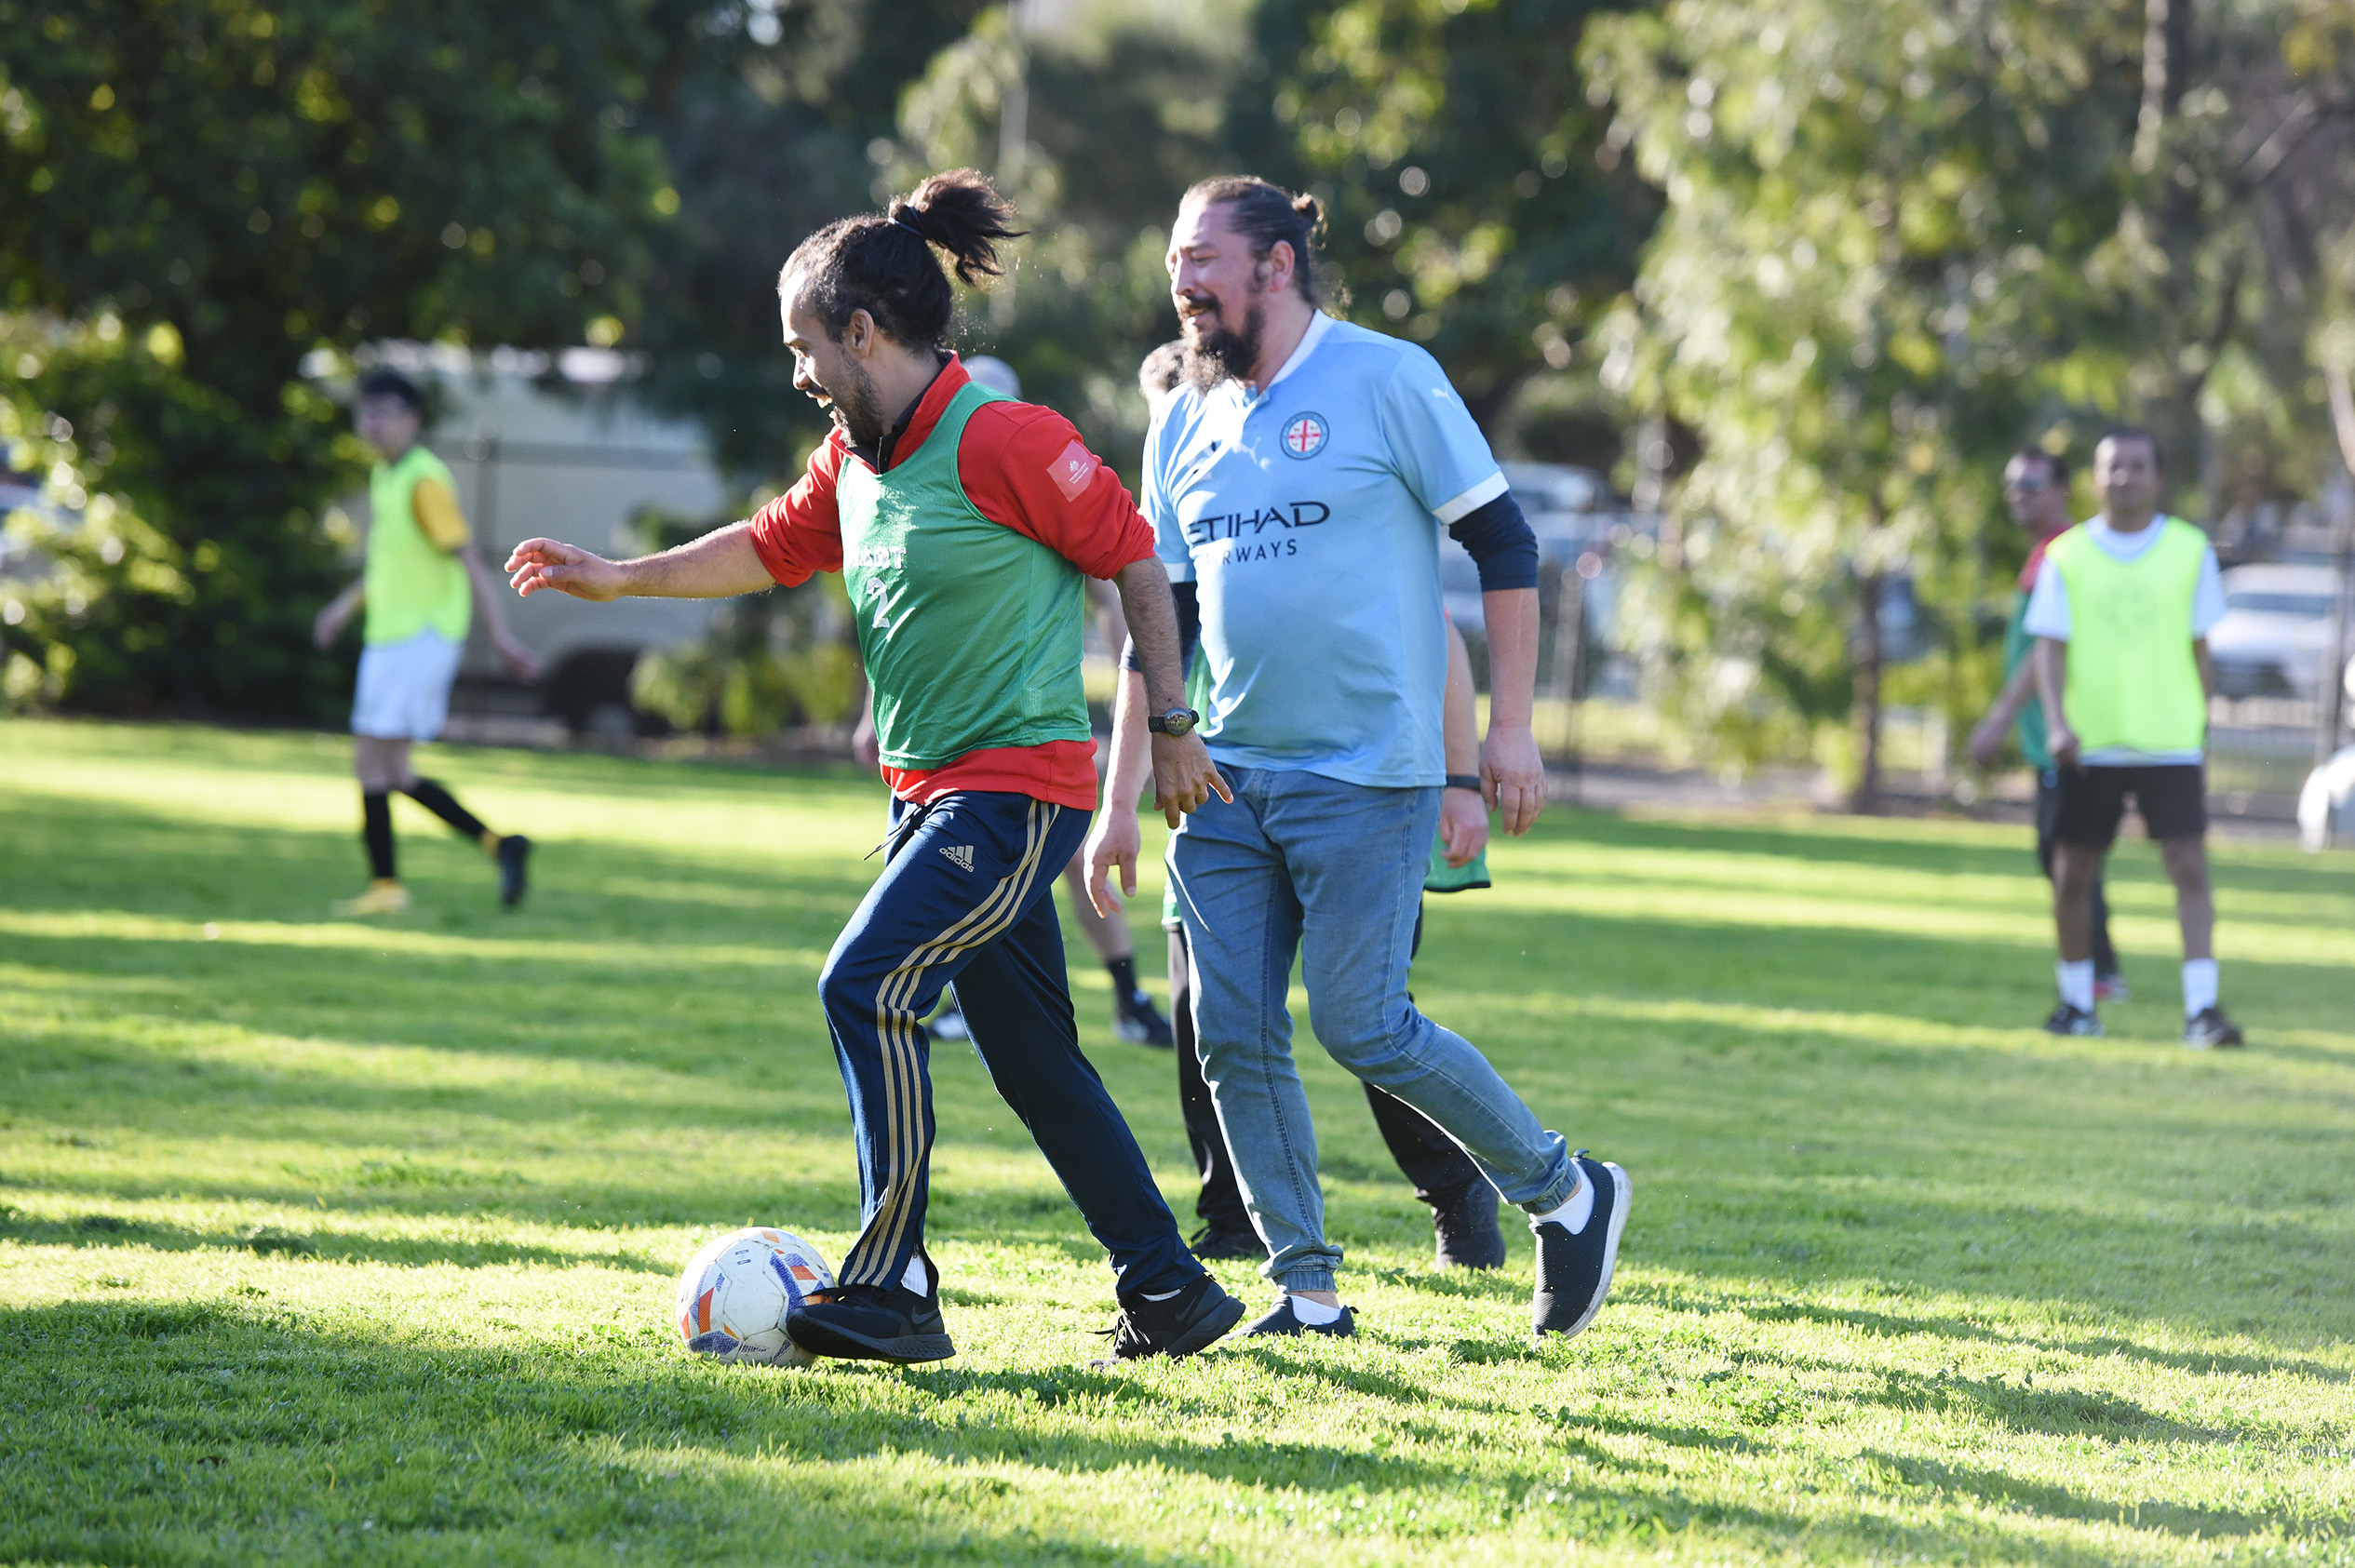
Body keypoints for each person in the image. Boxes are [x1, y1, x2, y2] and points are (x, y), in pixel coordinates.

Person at [505, 170, 1245, 1366]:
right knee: (1036, 1061)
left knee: (862, 983)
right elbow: (763, 546)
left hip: (1015, 794)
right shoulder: (854, 457)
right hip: (928, 797)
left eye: (806, 346)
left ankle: (893, 1282)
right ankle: (1169, 1287)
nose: (798, 372)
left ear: (864, 332)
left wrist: (1170, 721)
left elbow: (1135, 561)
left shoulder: (1007, 437)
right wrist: (618, 576)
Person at [1084, 176, 1629, 1342]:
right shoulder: (1180, 412)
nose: (1179, 281)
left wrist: (1506, 731)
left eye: (1199, 258)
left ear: (1274, 264)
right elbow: (1160, 611)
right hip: (1220, 773)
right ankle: (1308, 1290)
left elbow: (1502, 538)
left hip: (1366, 771)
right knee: (1227, 1029)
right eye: (1173, 261)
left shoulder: (1387, 376)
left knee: (1363, 1024)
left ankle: (1566, 1190)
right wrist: (1121, 791)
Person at [1142, 611, 1514, 1270]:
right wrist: (1119, 801)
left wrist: (1461, 781)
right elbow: (1137, 658)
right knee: (1208, 1023)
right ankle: (1233, 1218)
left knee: (1366, 1025)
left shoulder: (1349, 545)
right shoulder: (1186, 544)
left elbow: (1442, 639)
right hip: (1213, 803)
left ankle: (1461, 1188)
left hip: (1351, 800)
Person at [886, 358, 1178, 1052]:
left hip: (1037, 736)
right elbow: (907, 613)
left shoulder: (1033, 477)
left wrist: (1131, 711)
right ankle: (986, 1005)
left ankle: (1127, 994)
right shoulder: (935, 483)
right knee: (974, 883)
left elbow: (1119, 597)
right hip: (952, 747)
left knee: (1068, 869)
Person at [2028, 428, 2244, 1047]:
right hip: (2090, 742)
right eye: (2113, 466)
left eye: (2137, 465)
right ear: (2095, 479)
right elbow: (2049, 650)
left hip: (2168, 741)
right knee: (2072, 874)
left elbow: (2202, 651)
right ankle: (2076, 1005)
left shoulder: (2189, 550)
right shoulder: (2066, 555)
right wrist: (2059, 724)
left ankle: (2202, 1011)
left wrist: (2198, 722)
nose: (2125, 476)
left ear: (2157, 476)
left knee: (2189, 869)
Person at [313, 369, 540, 916]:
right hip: (393, 636)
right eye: (367, 411)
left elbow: (469, 561)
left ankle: (387, 888)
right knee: (391, 771)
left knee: (373, 766)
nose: (374, 423)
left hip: (418, 638)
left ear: (413, 419)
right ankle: (500, 845)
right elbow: (388, 566)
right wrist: (343, 610)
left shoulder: (422, 480)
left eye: (387, 412)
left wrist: (502, 637)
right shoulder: (387, 477)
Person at [1966, 448, 2123, 1001]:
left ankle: (2100, 971)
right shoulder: (2044, 553)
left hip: (2064, 730)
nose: (2019, 493)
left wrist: (1999, 717)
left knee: (2069, 851)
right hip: (2043, 734)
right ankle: (2097, 967)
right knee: (2061, 850)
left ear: (2062, 490)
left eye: (2032, 483)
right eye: (2012, 484)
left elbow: (2043, 651)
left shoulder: (2064, 553)